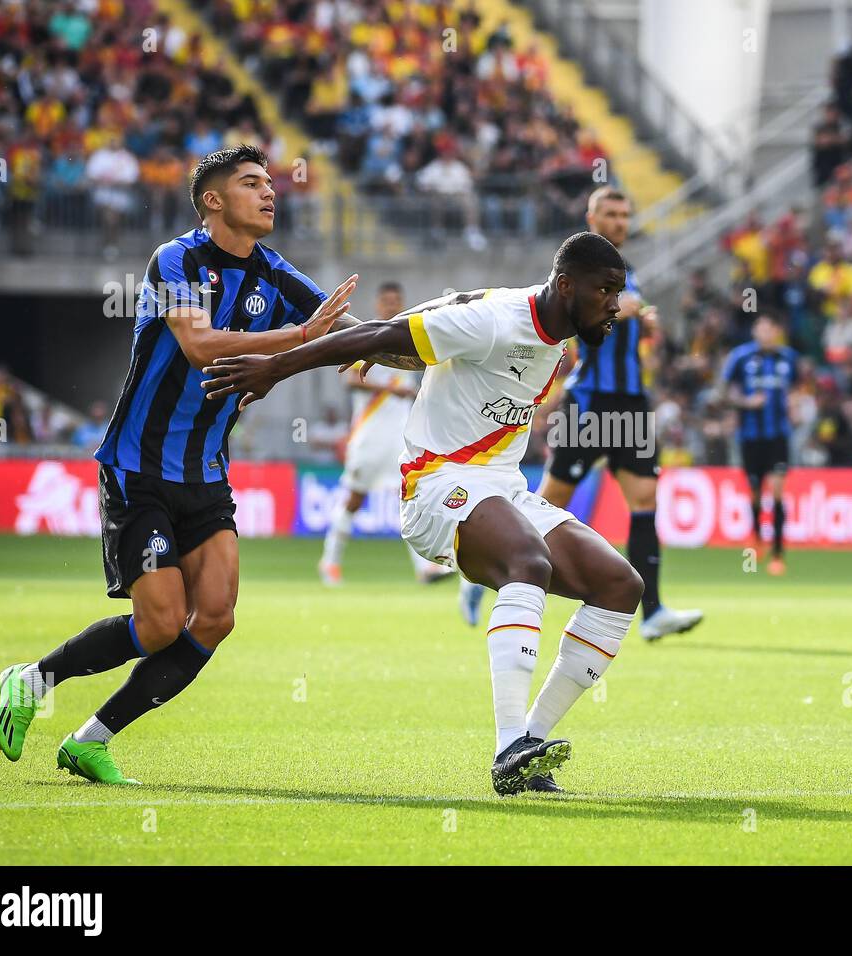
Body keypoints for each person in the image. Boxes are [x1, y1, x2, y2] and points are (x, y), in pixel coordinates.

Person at [200, 232, 646, 796]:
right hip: (436, 488)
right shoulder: (498, 320)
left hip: (501, 489)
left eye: (619, 292)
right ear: (565, 285)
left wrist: (385, 338)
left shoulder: (553, 334)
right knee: (527, 563)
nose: (615, 304)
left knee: (619, 584)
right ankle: (510, 742)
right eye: (605, 290)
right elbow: (390, 332)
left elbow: (440, 311)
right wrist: (273, 368)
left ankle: (529, 746)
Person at [0, 144, 357, 784]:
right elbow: (199, 345)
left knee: (214, 618)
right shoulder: (175, 259)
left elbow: (346, 330)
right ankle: (33, 679)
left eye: (270, 183)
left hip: (205, 475)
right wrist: (301, 338)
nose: (270, 192)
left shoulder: (275, 271)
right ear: (213, 200)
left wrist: (435, 341)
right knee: (159, 624)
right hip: (140, 470)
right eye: (251, 183)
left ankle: (90, 740)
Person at [532, 185, 703, 641]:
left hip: (632, 401)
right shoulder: (576, 270)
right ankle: (497, 578)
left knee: (645, 500)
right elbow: (568, 327)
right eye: (610, 214)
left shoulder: (629, 273)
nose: (620, 222)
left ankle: (653, 613)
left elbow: (622, 317)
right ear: (591, 217)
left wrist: (642, 322)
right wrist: (619, 313)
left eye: (625, 215)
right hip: (589, 401)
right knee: (549, 505)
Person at [319, 281, 453, 585]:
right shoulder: (367, 337)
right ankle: (329, 561)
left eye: (396, 301)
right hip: (368, 433)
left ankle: (425, 568)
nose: (392, 306)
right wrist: (389, 391)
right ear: (379, 305)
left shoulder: (408, 340)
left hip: (399, 434)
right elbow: (350, 380)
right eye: (387, 301)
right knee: (355, 498)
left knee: (408, 495)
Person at [721, 314, 798, 575]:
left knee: (777, 491)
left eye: (770, 329)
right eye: (761, 329)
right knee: (754, 491)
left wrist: (795, 405)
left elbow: (797, 388)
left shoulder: (788, 358)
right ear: (755, 332)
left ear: (776, 331)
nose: (765, 333)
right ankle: (756, 536)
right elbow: (726, 391)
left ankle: (778, 554)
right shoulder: (741, 358)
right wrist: (745, 402)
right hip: (750, 437)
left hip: (778, 436)